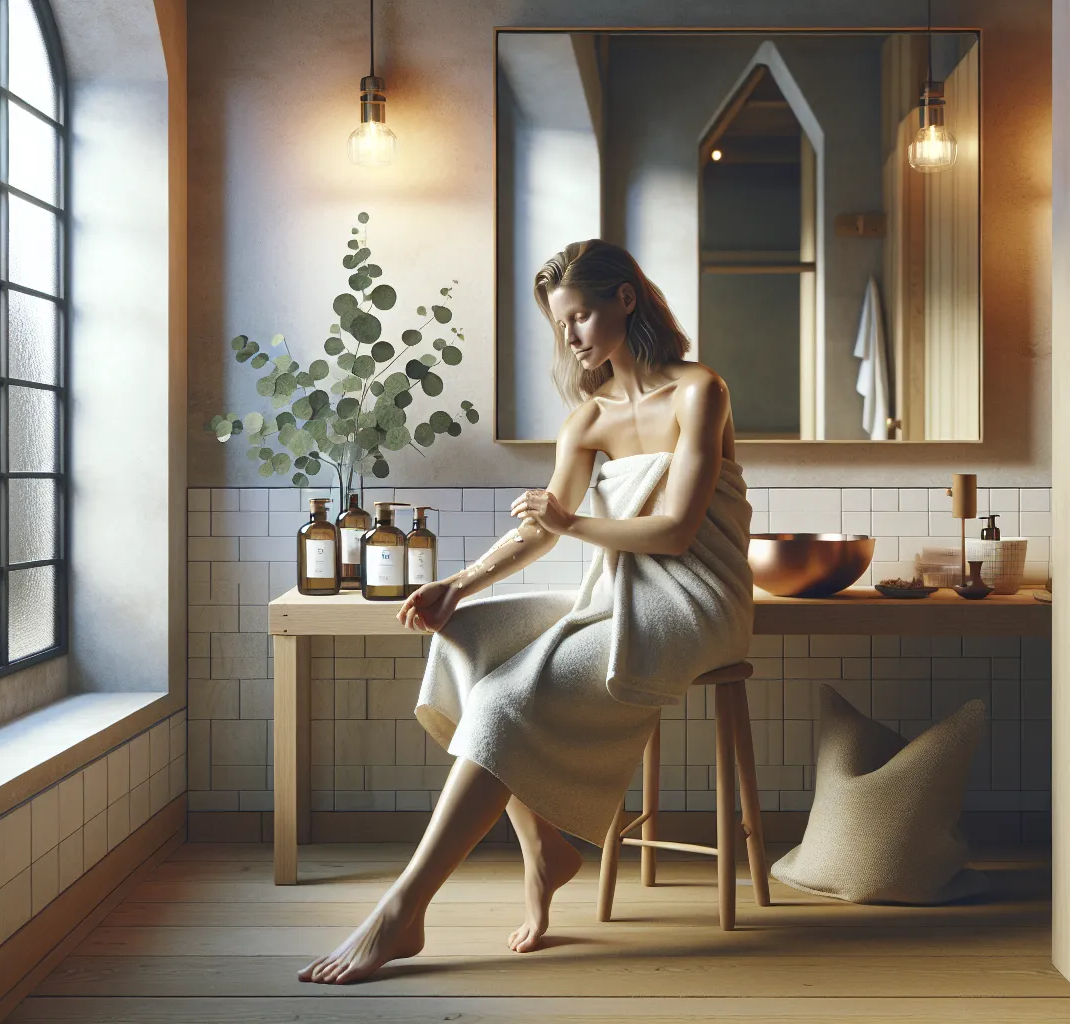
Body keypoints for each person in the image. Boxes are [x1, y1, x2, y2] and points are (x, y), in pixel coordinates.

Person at [298, 239, 754, 984]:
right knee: (466, 640)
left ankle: (403, 909)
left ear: (625, 300)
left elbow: (675, 531)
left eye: (580, 316)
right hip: (618, 591)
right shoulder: (589, 419)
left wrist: (571, 522)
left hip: (696, 600)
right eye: (559, 323)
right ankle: (544, 848)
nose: (570, 336)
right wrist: (459, 584)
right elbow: (543, 528)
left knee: (507, 700)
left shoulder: (700, 390)